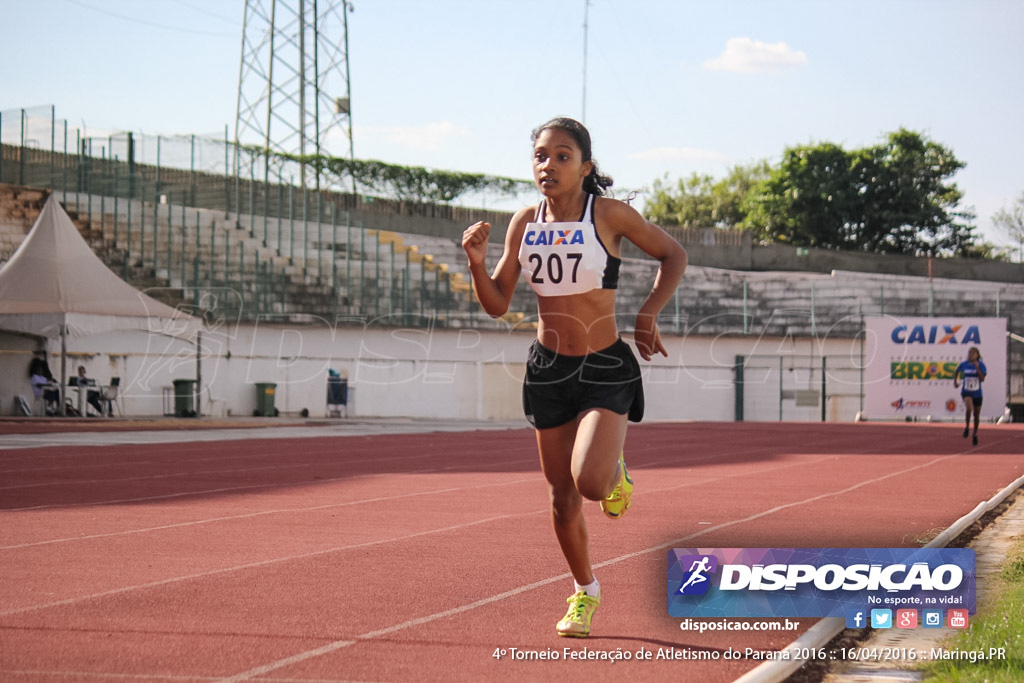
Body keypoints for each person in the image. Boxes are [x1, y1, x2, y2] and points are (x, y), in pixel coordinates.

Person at [462, 117, 687, 638]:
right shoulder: (524, 223)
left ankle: (614, 472)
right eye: (541, 155)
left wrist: (648, 313)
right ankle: (585, 592)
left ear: (585, 167)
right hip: (548, 369)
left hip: (604, 364)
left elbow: (673, 253)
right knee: (561, 498)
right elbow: (497, 303)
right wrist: (477, 264)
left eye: (562, 156)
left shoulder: (608, 214)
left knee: (589, 484)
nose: (549, 165)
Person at [953, 346, 987, 446]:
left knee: (976, 415)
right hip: (966, 391)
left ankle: (975, 434)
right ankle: (967, 427)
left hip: (977, 393)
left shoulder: (981, 365)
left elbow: (982, 379)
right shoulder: (964, 364)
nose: (970, 355)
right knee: (969, 408)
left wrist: (977, 368)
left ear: (977, 355)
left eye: (973, 353)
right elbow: (956, 371)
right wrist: (955, 381)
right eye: (969, 353)